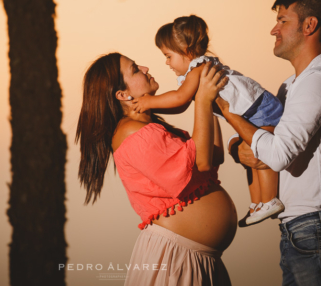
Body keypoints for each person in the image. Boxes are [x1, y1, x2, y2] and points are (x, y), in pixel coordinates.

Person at [217, 0, 321, 285]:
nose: (274, 29)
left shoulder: (320, 80)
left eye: (283, 20)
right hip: (303, 228)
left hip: (318, 226)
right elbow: (265, 140)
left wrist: (227, 111)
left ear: (309, 25)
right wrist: (238, 148)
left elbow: (277, 154)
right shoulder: (292, 86)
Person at [76, 53, 237, 285]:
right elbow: (201, 161)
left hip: (197, 259)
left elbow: (213, 156)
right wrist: (201, 99)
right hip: (175, 261)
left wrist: (206, 100)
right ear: (122, 94)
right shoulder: (131, 132)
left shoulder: (150, 128)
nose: (144, 67)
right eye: (134, 69)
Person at [132, 15, 284, 226]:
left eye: (168, 56)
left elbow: (179, 97)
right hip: (254, 113)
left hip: (261, 111)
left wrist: (150, 102)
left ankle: (269, 200)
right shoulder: (198, 70)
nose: (166, 62)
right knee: (251, 161)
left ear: (186, 50)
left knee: (260, 153)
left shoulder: (199, 68)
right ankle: (258, 203)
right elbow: (183, 104)